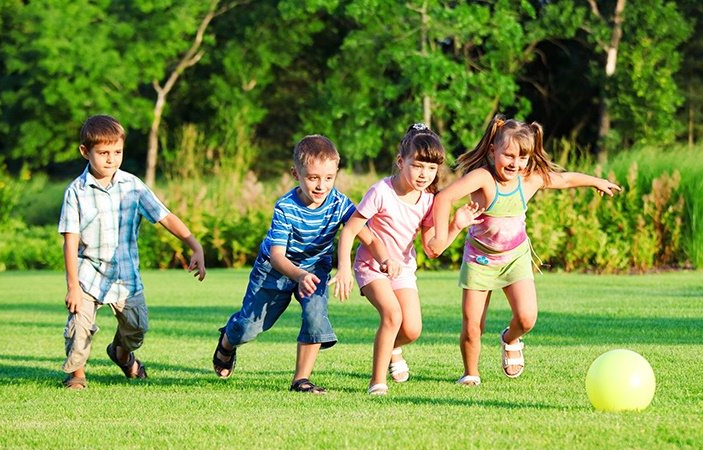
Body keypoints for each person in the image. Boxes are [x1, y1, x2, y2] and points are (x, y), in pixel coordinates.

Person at [429, 115, 620, 386]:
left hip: (515, 258)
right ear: (493, 150)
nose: (515, 163)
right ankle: (471, 373)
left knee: (527, 318)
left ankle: (510, 338)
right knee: (473, 327)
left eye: (522, 158)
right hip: (480, 260)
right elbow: (444, 198)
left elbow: (563, 180)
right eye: (508, 155)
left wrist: (595, 181)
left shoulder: (528, 180)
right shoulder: (483, 178)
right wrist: (440, 235)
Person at [212, 135, 390, 394]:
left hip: (316, 269)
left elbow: (367, 235)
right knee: (248, 327)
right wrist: (299, 276)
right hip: (275, 271)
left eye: (329, 178)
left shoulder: (340, 204)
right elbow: (277, 256)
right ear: (296, 173)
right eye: (313, 178)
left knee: (315, 317)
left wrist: (384, 259)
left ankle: (301, 380)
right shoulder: (285, 207)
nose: (321, 185)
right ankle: (227, 342)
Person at [59, 114, 206, 390]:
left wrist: (194, 244)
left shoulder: (133, 186)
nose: (111, 159)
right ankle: (77, 374)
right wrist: (72, 287)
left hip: (125, 277)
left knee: (136, 329)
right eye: (103, 153)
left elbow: (164, 216)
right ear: (85, 152)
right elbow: (70, 240)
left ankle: (122, 354)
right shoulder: (75, 192)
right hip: (88, 275)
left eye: (117, 152)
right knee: (80, 327)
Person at [334, 124, 483, 395]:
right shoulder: (381, 191)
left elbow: (432, 248)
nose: (424, 174)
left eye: (431, 168)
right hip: (371, 267)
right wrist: (344, 268)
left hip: (402, 269)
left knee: (412, 329)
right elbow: (351, 230)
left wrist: (456, 225)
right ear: (401, 162)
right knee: (392, 315)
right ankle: (377, 383)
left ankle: (392, 348)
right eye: (417, 166)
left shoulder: (429, 201)